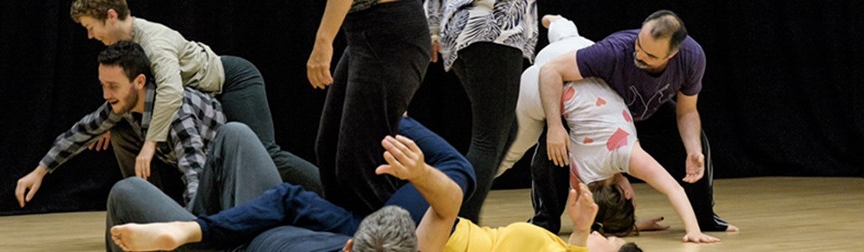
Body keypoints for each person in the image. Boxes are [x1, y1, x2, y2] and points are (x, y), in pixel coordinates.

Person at [104, 117, 641, 252]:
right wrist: (581, 230)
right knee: (241, 139)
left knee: (124, 195)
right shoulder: (566, 245)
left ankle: (197, 232)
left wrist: (419, 173)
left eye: (613, 243)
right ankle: (199, 228)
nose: (608, 237)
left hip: (421, 232)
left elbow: (449, 204)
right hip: (383, 229)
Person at [69, 0, 321, 195]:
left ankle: (336, 195)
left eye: (90, 27)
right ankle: (152, 211)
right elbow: (134, 89)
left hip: (233, 82)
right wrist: (113, 117)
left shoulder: (153, 42)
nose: (90, 35)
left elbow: (170, 92)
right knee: (121, 132)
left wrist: (150, 143)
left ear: (111, 16)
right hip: (203, 98)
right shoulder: (124, 45)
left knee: (265, 154)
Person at [14, 42, 280, 217]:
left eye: (113, 86)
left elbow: (194, 170)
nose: (106, 94)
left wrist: (189, 230)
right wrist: (40, 171)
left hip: (223, 177)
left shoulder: (175, 110)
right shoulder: (124, 104)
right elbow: (82, 131)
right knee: (117, 131)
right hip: (197, 171)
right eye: (102, 85)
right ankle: (148, 210)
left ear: (139, 81)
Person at [536, 10, 737, 232]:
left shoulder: (692, 57)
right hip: (605, 117)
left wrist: (693, 150)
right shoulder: (613, 51)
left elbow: (687, 111)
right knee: (552, 145)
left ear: (672, 55)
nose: (640, 55)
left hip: (646, 112)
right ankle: (544, 222)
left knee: (697, 149)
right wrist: (555, 126)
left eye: (650, 55)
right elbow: (552, 70)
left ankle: (704, 219)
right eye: (639, 45)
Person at [307, 0, 431, 216]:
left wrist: (323, 41)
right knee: (329, 150)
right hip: (362, 32)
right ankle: (346, 239)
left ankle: (389, 243)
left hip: (389, 30)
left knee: (360, 167)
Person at [423, 0, 538, 224]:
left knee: (507, 130)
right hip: (493, 25)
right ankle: (459, 221)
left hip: (460, 28)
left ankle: (459, 213)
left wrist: (432, 28)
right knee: (488, 139)